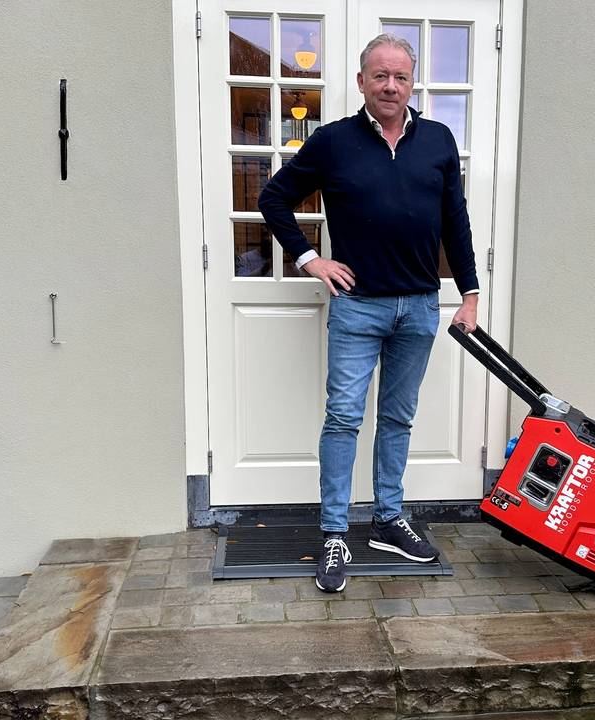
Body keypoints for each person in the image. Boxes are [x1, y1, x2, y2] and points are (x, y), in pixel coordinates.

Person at [258, 33, 479, 593]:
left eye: (400, 76)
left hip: (420, 307)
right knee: (343, 419)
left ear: (412, 83)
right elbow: (273, 198)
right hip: (357, 307)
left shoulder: (438, 140)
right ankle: (334, 533)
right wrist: (310, 259)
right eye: (380, 75)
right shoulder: (334, 141)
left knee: (398, 419)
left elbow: (455, 221)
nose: (390, 86)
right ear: (361, 82)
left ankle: (387, 520)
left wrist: (470, 294)